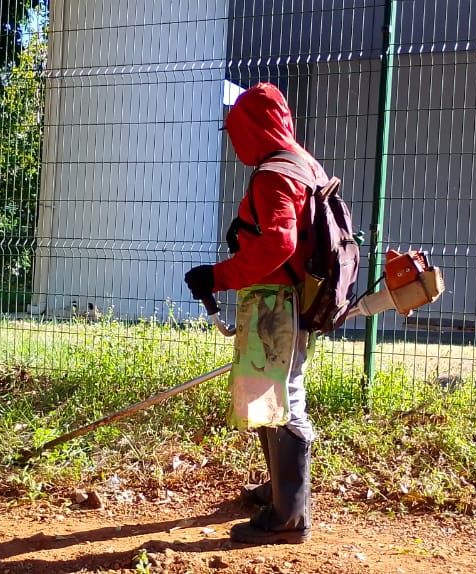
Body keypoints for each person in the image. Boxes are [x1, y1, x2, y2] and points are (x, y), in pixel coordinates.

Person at [183, 82, 324, 545]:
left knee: (283, 398)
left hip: (276, 302)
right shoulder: (302, 163)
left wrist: (219, 276)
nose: (232, 138)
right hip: (294, 298)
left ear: (252, 127)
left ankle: (288, 517)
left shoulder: (273, 174)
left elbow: (280, 243)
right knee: (272, 392)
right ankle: (283, 492)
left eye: (235, 129)